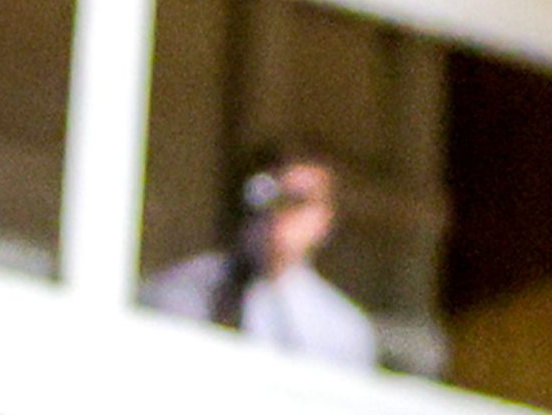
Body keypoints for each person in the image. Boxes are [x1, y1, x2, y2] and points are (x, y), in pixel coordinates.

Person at [145, 146, 380, 369]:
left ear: (325, 220)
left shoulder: (343, 331)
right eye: (270, 196)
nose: (280, 212)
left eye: (299, 201)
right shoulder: (186, 290)